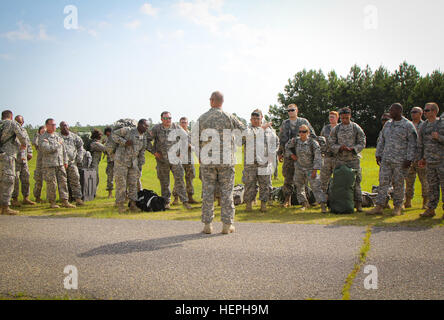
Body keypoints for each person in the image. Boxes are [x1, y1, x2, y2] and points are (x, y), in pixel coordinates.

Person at [193, 91, 254, 234]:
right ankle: (227, 225)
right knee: (227, 192)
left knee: (208, 192)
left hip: (208, 161)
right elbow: (246, 132)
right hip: (226, 161)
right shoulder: (229, 117)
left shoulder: (202, 118)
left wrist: (199, 155)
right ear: (222, 101)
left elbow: (194, 139)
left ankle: (207, 225)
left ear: (212, 100)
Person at [367, 103, 417, 216]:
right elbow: (382, 140)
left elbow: (413, 144)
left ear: (399, 111)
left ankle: (398, 207)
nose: (390, 112)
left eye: (392, 110)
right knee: (383, 183)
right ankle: (379, 206)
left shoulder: (407, 125)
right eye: (390, 110)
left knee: (398, 184)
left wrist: (409, 159)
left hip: (401, 162)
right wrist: (378, 154)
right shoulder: (388, 125)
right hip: (386, 160)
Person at [147, 112, 192, 210]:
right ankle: (166, 202)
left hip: (176, 160)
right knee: (164, 182)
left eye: (170, 118)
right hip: (162, 160)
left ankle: (185, 202)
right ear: (161, 119)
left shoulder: (176, 127)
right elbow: (146, 140)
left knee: (180, 180)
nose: (168, 120)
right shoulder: (156, 128)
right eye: (166, 118)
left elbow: (186, 138)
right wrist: (154, 152)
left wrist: (182, 152)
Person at [278, 104, 316, 208]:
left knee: (303, 178)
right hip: (288, 155)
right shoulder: (285, 123)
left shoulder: (304, 122)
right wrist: (280, 153)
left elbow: (312, 136)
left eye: (292, 110)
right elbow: (281, 139)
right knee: (288, 177)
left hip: (302, 155)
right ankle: (287, 200)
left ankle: (306, 201)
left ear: (297, 110)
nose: (290, 112)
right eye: (289, 110)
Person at [329, 107, 366, 212]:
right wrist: (339, 148)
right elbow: (331, 142)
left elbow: (362, 141)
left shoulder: (355, 127)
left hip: (353, 159)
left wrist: (353, 149)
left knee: (356, 182)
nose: (344, 119)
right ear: (340, 117)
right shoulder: (336, 129)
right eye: (342, 118)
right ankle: (340, 205)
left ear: (350, 116)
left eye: (346, 117)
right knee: (340, 183)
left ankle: (358, 204)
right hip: (340, 160)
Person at [242, 109, 277, 213]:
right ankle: (249, 204)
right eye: (253, 119)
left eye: (257, 118)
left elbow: (276, 142)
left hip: (264, 162)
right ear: (250, 120)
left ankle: (264, 204)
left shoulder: (269, 130)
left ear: (261, 118)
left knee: (265, 183)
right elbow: (239, 141)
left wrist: (272, 154)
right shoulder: (247, 130)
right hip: (250, 163)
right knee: (249, 183)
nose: (255, 120)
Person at [286, 124, 326, 212]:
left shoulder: (313, 143)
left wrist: (315, 170)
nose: (301, 133)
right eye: (300, 132)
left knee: (316, 186)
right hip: (299, 167)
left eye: (303, 132)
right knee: (299, 186)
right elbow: (287, 147)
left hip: (311, 168)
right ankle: (304, 203)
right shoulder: (295, 141)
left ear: (308, 132)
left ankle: (322, 204)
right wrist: (292, 155)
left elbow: (318, 157)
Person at [112, 119, 149, 213]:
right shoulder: (128, 130)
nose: (147, 128)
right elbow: (113, 135)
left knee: (133, 184)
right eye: (146, 126)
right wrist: (124, 142)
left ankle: (133, 204)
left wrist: (140, 164)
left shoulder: (144, 137)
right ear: (140, 125)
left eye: (148, 126)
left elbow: (142, 151)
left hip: (133, 163)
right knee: (121, 184)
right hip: (121, 161)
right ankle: (120, 205)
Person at [39, 119, 76, 209]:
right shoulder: (43, 137)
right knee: (52, 184)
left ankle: (65, 201)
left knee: (63, 183)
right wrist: (58, 144)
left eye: (55, 125)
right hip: (50, 165)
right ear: (47, 125)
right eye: (52, 125)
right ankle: (52, 202)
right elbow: (47, 149)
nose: (54, 126)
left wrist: (65, 161)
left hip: (60, 164)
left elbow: (64, 150)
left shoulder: (58, 136)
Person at [417, 102, 444, 218]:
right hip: (430, 162)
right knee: (432, 187)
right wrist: (422, 158)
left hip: (442, 161)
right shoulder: (424, 126)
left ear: (434, 111)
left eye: (427, 110)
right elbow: (421, 144)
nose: (424, 112)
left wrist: (439, 137)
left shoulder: (442, 124)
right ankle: (431, 209)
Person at [0, 110, 28, 215]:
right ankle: (5, 207)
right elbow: (22, 137)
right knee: (8, 180)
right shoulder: (12, 124)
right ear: (11, 116)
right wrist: (24, 144)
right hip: (8, 155)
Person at [404, 107, 428, 209]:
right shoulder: (408, 125)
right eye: (412, 112)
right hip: (409, 158)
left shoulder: (425, 126)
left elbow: (427, 143)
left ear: (421, 113)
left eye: (415, 112)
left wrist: (425, 157)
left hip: (421, 158)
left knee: (424, 181)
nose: (413, 114)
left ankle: (426, 202)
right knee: (409, 181)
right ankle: (408, 201)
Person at [172, 117, 198, 205]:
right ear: (179, 124)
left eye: (185, 122)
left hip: (189, 159)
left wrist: (191, 147)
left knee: (190, 178)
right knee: (178, 178)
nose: (183, 124)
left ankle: (190, 196)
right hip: (179, 159)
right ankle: (176, 198)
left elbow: (196, 146)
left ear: (187, 124)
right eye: (182, 122)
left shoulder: (190, 134)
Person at [11, 115, 35, 206]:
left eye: (20, 122)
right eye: (17, 121)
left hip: (24, 159)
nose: (19, 123)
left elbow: (28, 143)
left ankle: (26, 198)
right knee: (15, 180)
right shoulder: (12, 130)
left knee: (26, 179)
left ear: (23, 122)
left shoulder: (24, 131)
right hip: (15, 159)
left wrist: (30, 152)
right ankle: (15, 199)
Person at [59, 121, 84, 206]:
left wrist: (79, 157)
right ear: (60, 128)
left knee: (76, 179)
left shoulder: (74, 137)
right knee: (62, 182)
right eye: (62, 126)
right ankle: (65, 200)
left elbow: (80, 147)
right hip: (60, 163)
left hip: (72, 162)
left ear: (68, 126)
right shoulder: (57, 137)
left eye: (65, 125)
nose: (64, 127)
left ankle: (78, 199)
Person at [319, 110, 339, 200]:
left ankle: (336, 198)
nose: (331, 118)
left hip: (338, 157)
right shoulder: (325, 128)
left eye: (333, 117)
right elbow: (321, 139)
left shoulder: (340, 128)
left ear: (337, 118)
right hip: (327, 157)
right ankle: (323, 199)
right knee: (323, 179)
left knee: (338, 178)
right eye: (330, 117)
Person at [32, 126, 46, 203]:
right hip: (40, 162)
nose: (43, 131)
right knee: (38, 180)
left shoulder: (49, 137)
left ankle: (50, 198)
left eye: (45, 130)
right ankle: (37, 197)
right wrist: (37, 135)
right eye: (42, 130)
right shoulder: (38, 138)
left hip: (50, 162)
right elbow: (34, 142)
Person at [103, 127, 114, 199]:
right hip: (110, 161)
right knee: (109, 177)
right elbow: (105, 151)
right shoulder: (107, 140)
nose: (107, 135)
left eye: (108, 134)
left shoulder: (115, 139)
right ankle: (110, 193)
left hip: (117, 161)